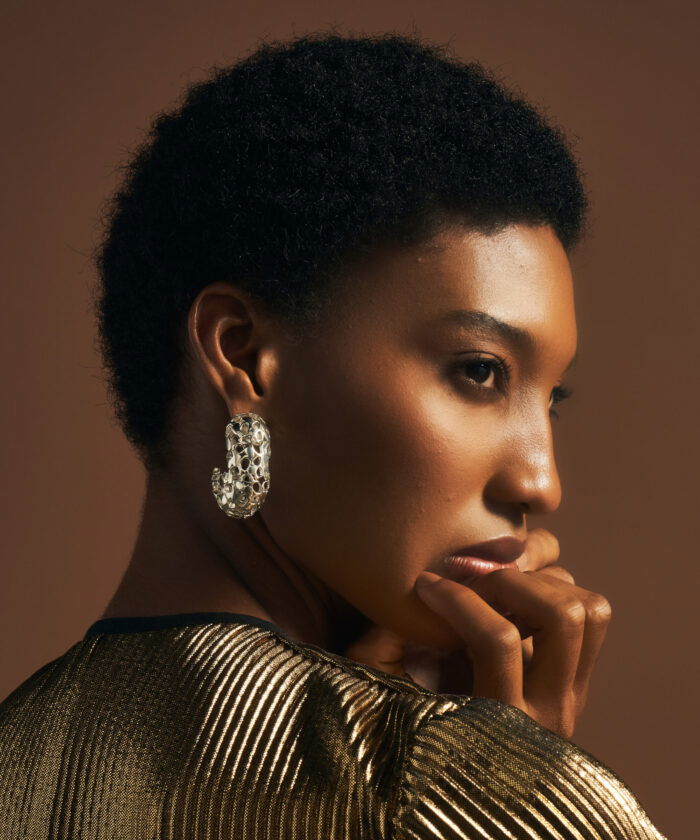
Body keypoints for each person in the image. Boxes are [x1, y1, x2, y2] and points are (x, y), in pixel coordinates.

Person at [0, 30, 666, 840]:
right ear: (243, 355)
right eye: (481, 372)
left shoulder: (16, 756)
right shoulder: (441, 792)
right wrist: (516, 791)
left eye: (547, 399)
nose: (540, 483)